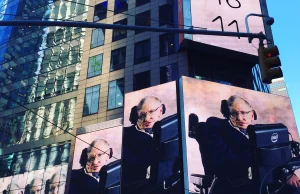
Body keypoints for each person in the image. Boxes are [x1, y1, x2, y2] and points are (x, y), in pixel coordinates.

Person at [204, 95, 300, 194]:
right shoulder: (217, 126)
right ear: (228, 115)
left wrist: (287, 173)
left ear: (252, 115)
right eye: (234, 113)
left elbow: (274, 157)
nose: (240, 118)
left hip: (265, 181)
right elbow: (226, 159)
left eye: (244, 112)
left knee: (295, 190)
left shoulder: (262, 133)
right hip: (236, 184)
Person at [121, 96, 165, 193]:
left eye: (151, 111)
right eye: (143, 114)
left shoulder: (165, 132)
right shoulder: (125, 134)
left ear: (160, 111)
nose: (147, 118)